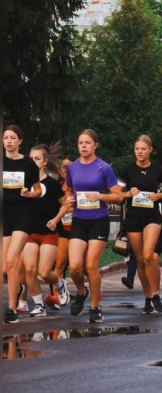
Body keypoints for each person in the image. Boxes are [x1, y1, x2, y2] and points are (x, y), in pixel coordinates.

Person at [65, 129, 122, 323]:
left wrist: (100, 196)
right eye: (80, 143)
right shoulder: (72, 168)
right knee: (74, 267)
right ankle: (82, 292)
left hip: (99, 220)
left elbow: (118, 196)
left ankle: (95, 307)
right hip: (80, 219)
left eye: (87, 142)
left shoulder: (104, 168)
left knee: (90, 265)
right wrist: (69, 199)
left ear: (95, 145)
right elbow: (68, 191)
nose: (83, 146)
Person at [117, 135, 162, 314]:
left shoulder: (157, 170)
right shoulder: (128, 170)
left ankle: (155, 294)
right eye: (137, 149)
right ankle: (147, 297)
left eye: (143, 149)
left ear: (150, 150)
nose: (140, 152)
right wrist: (127, 193)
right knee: (139, 261)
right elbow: (117, 192)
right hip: (133, 218)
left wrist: (159, 195)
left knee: (148, 256)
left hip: (152, 217)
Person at [22, 143, 71, 316]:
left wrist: (55, 219)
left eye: (37, 159)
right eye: (31, 159)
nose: (34, 162)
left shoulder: (51, 183)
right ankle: (39, 306)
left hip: (48, 233)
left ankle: (60, 285)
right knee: (29, 270)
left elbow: (65, 205)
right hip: (29, 232)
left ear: (44, 162)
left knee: (44, 272)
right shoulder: (24, 184)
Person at [3, 125, 42, 324]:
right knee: (4, 268)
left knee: (11, 260)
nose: (8, 141)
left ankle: (12, 309)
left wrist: (29, 193)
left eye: (12, 138)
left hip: (23, 215)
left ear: (20, 141)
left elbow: (39, 191)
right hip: (4, 217)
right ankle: (15, 285)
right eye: (5, 137)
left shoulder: (28, 164)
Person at [47, 155, 77, 309]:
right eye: (63, 166)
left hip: (79, 228)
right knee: (59, 263)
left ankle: (89, 290)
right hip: (62, 229)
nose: (65, 169)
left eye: (69, 166)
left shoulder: (81, 184)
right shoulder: (56, 185)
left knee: (80, 266)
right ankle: (56, 296)